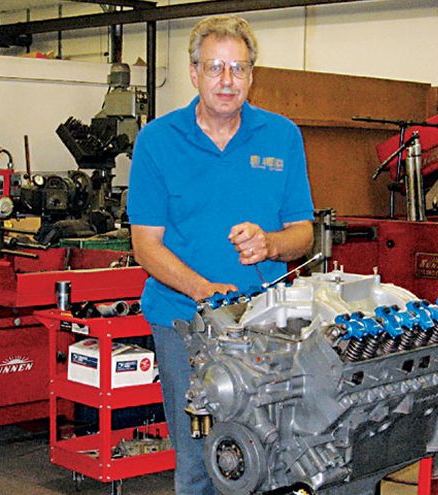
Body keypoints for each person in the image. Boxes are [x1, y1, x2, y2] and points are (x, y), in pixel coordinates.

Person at [127, 14, 314, 495]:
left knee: (271, 457)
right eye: (215, 68)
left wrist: (272, 243)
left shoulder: (282, 136)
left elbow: (304, 235)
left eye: (239, 68)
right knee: (200, 463)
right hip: (184, 324)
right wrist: (204, 292)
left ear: (253, 75)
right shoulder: (157, 141)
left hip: (266, 326)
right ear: (194, 73)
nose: (227, 81)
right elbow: (145, 244)